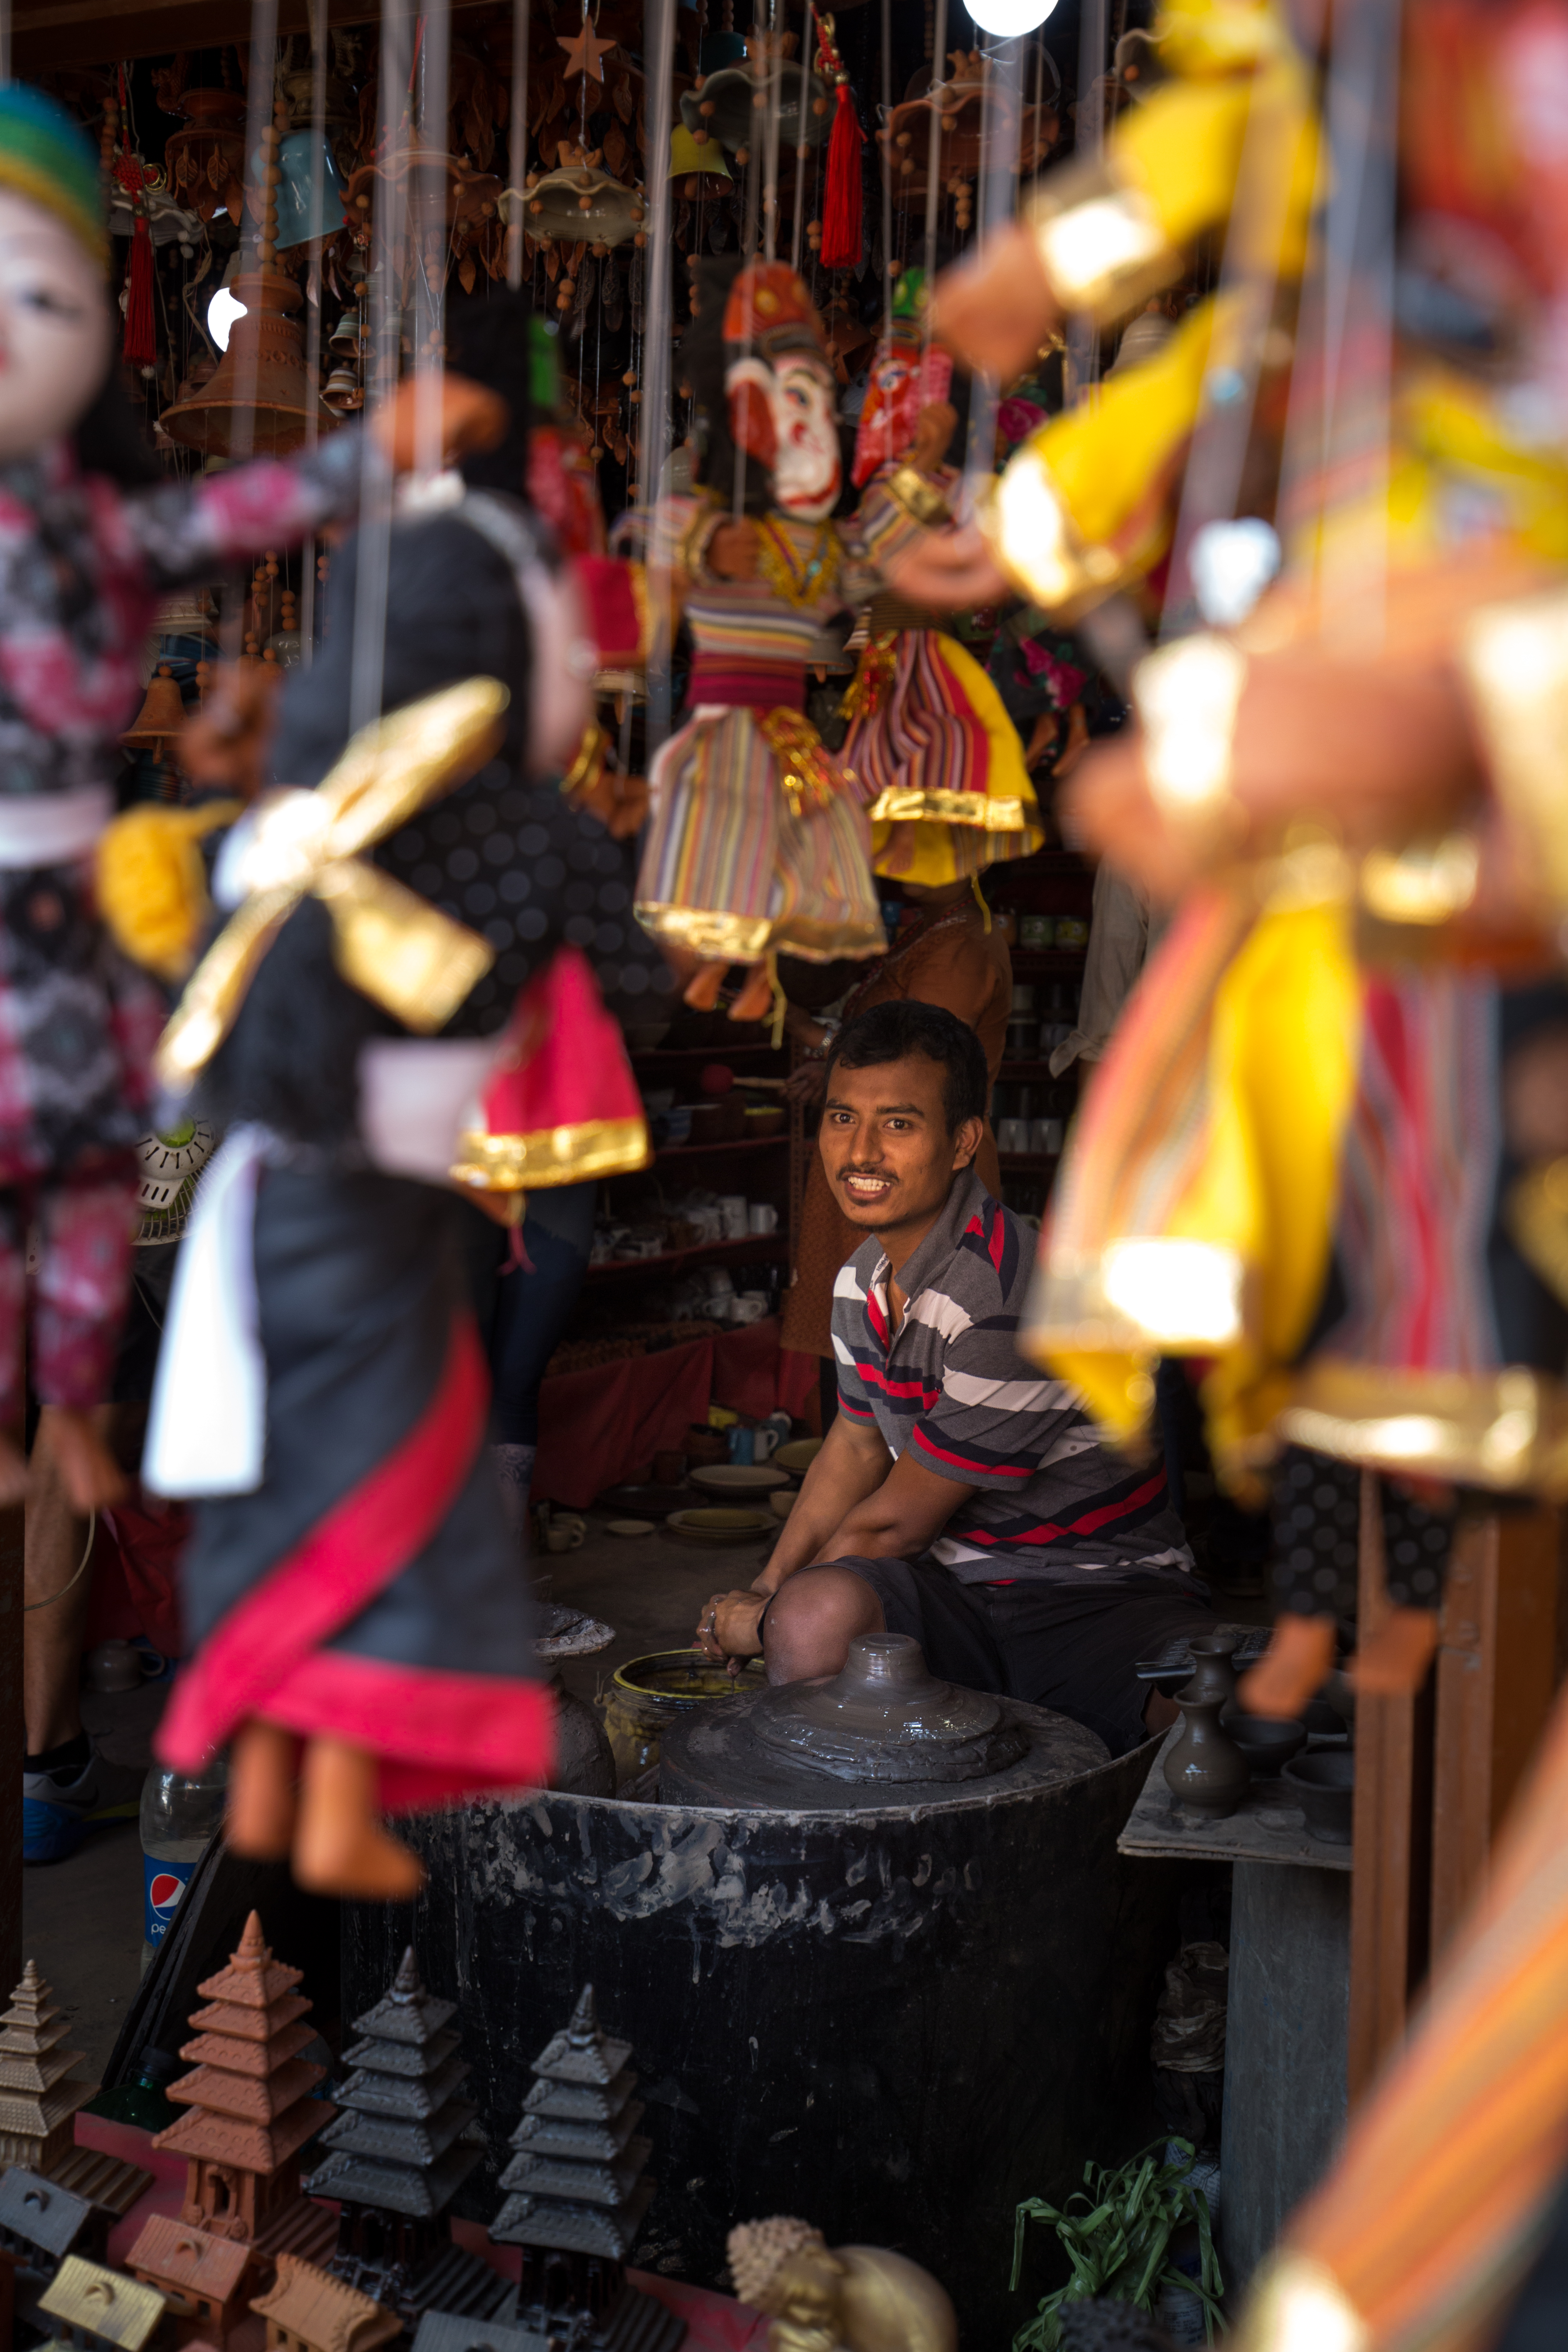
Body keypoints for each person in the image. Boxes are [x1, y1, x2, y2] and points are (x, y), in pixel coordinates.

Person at [695, 1000, 1212, 1755]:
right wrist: (770, 1592)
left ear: (962, 1140)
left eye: (898, 1124)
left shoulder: (1011, 1288)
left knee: (1205, 1737)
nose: (860, 1152)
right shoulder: (860, 1280)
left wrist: (756, 1620)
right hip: (955, 1592)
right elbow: (855, 1447)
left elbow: (892, 1524)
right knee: (812, 1617)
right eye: (842, 1118)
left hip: (1096, 1596)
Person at [779, 879, 1011, 1434]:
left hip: (913, 1172)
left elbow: (912, 1068)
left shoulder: (961, 944)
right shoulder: (931, 930)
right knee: (865, 1350)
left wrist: (793, 1022)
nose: (907, 861)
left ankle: (900, 1506)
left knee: (909, 1354)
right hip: (883, 1162)